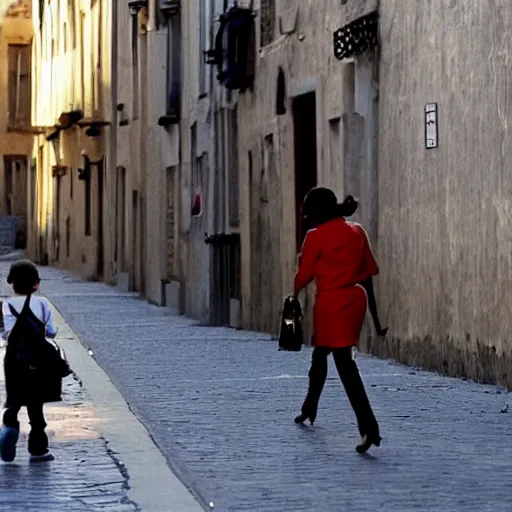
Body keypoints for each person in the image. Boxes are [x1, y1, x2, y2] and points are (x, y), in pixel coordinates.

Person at [293, 187, 383, 453]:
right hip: (356, 300)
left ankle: (369, 428)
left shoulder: (315, 236)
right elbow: (367, 277)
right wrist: (376, 320)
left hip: (331, 302)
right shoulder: (357, 231)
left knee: (343, 364)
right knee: (320, 354)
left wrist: (292, 294)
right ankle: (309, 407)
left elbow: (304, 274)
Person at [0, 260, 59, 463]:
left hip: (14, 360)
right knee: (35, 403)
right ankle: (38, 449)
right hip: (37, 360)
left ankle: (9, 427)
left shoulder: (6, 305)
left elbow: (5, 333)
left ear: (12, 283)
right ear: (35, 284)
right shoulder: (42, 304)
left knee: (14, 399)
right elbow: (51, 331)